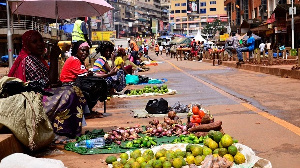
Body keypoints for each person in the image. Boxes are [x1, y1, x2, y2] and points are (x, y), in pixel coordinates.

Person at [8, 30, 86, 140]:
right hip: (33, 102)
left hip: (41, 95)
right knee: (69, 93)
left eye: (41, 40)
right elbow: (47, 83)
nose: (40, 44)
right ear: (27, 45)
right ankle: (60, 132)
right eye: (34, 42)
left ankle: (70, 130)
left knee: (74, 90)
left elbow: (50, 82)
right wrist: (53, 58)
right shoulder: (29, 59)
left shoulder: (38, 59)